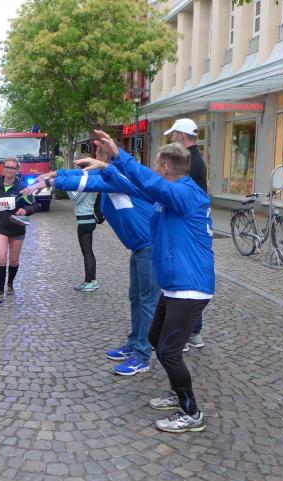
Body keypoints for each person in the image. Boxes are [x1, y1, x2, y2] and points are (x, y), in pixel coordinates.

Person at [80, 131, 215, 433]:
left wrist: (119, 155)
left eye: (155, 165)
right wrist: (109, 167)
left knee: (168, 351)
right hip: (176, 285)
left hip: (190, 287)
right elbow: (139, 185)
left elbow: (150, 183)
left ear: (165, 168)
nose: (153, 170)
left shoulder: (184, 194)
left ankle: (191, 412)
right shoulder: (174, 193)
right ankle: (177, 392)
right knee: (155, 338)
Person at [25, 156, 158, 377]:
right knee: (136, 298)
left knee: (147, 302)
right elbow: (84, 175)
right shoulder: (109, 176)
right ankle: (134, 344)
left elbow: (88, 181)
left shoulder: (121, 178)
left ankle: (142, 356)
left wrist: (50, 182)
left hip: (150, 247)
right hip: (139, 247)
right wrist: (55, 174)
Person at [165, 118, 208, 352]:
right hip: (193, 223)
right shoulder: (196, 158)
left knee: (187, 276)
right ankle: (192, 332)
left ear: (181, 135)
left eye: (174, 135)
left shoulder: (188, 160)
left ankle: (187, 332)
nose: (172, 139)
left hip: (188, 224)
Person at [0, 157, 37, 303]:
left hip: (17, 226)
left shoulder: (22, 187)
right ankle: (0, 291)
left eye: (13, 168)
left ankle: (10, 283)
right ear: (3, 168)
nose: (9, 170)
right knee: (1, 257)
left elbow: (34, 205)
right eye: (7, 167)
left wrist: (25, 210)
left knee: (14, 260)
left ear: (17, 170)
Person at [66, 188, 99, 292]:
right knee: (89, 252)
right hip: (87, 220)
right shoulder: (87, 184)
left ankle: (88, 282)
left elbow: (75, 198)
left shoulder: (85, 185)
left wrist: (66, 187)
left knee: (87, 253)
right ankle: (93, 281)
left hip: (85, 221)